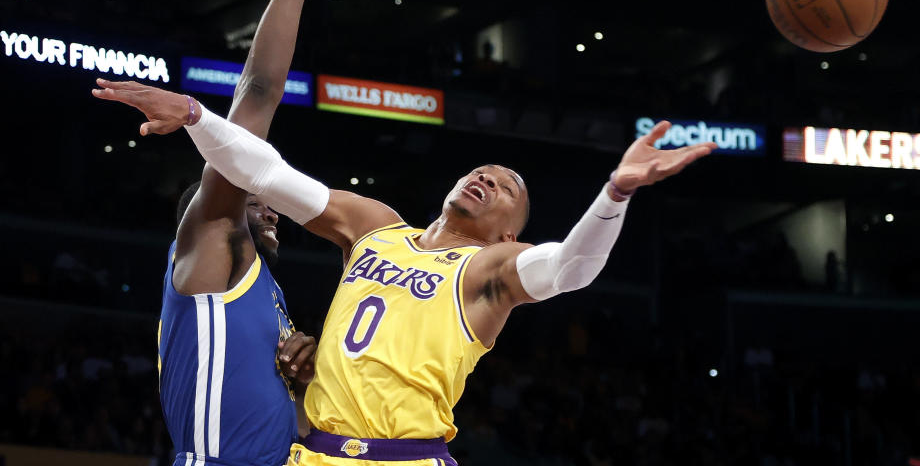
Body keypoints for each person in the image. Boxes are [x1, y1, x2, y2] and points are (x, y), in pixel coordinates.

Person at [94, 82, 715, 466]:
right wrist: (199, 118)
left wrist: (615, 194)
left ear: (509, 232)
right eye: (483, 170)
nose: (487, 178)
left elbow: (572, 268)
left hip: (406, 459)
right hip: (314, 456)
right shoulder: (375, 227)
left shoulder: (488, 268)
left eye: (506, 187)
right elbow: (266, 175)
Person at [147, 0, 359, 466]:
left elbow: (289, 423)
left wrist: (307, 373)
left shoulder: (262, 288)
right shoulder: (214, 241)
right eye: (247, 196)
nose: (267, 203)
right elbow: (259, 93)